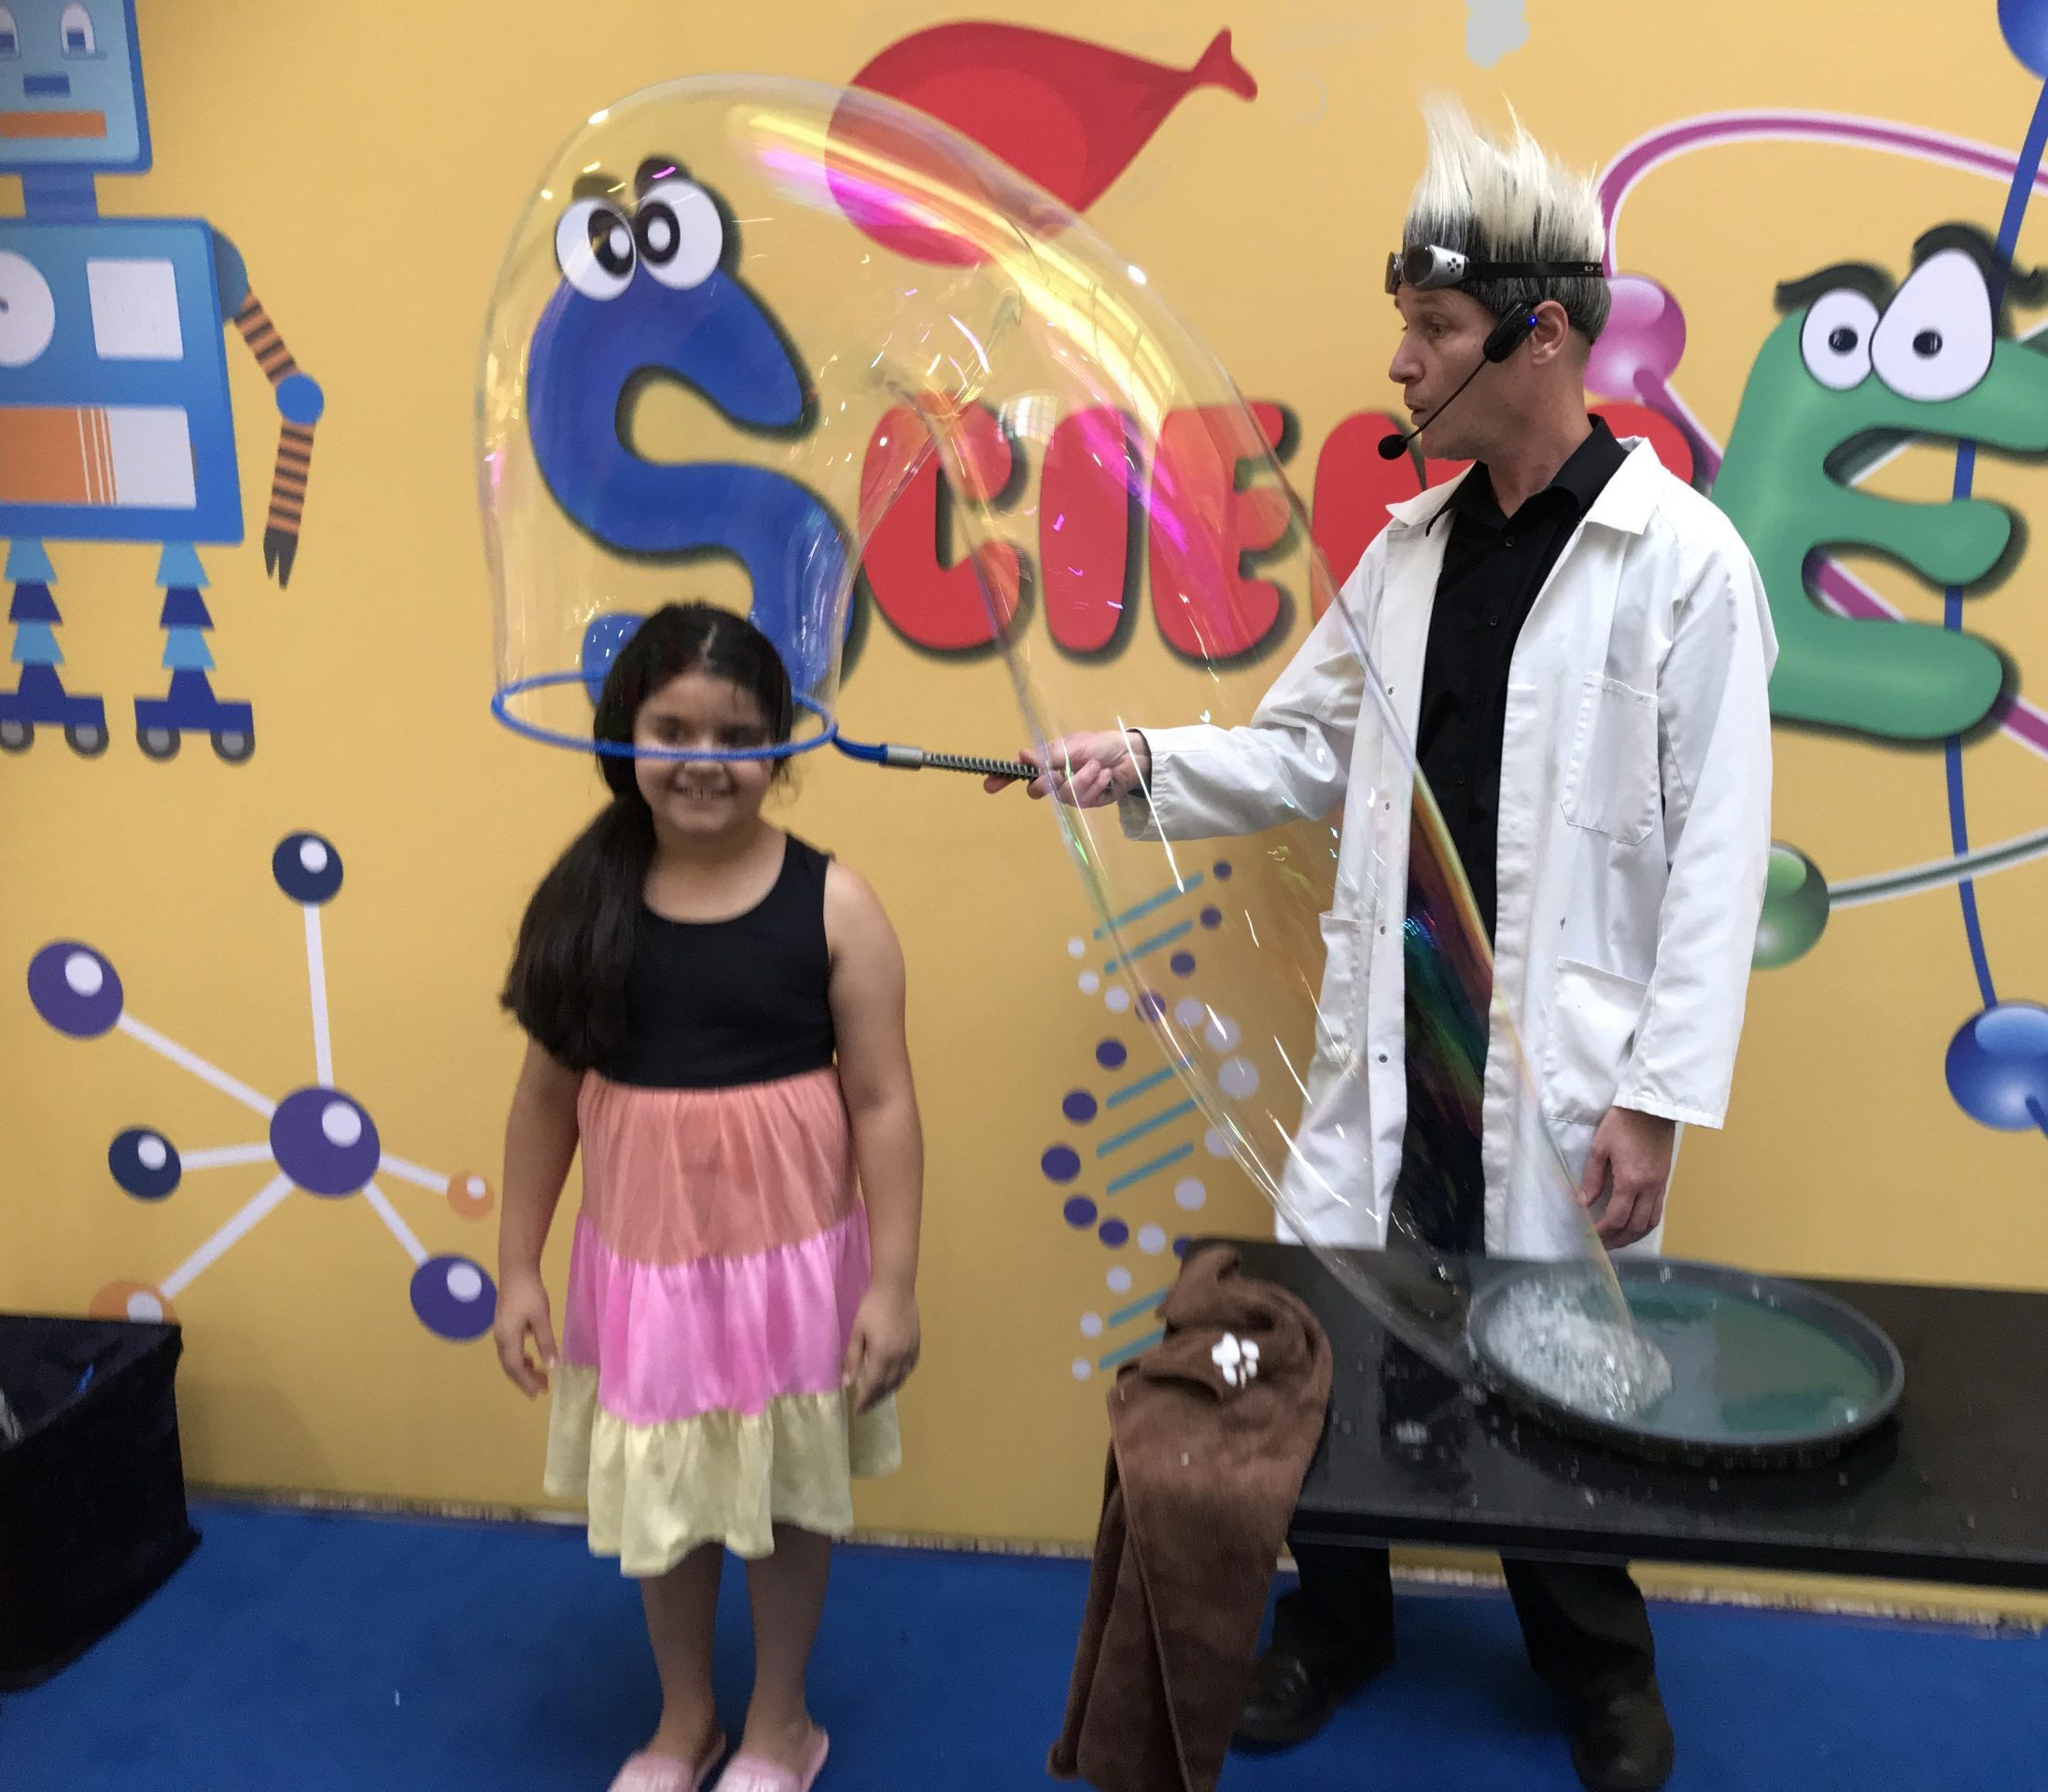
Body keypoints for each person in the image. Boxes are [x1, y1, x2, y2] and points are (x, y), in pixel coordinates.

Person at [993, 99, 1774, 1792]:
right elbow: (1297, 752)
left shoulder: (1684, 566)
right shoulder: (1408, 556)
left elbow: (1718, 850)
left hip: (1558, 1061)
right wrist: (1142, 763)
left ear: (1541, 330)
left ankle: (1597, 1663)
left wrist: (1655, 1099)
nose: (1403, 363)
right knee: (1344, 1351)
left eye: (1431, 328)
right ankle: (1335, 1625)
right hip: (1390, 1034)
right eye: (1403, 327)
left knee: (1558, 1361)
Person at [494, 602, 923, 1792]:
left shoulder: (836, 907)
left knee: (787, 1498)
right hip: (646, 1277)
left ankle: (782, 1722)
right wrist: (518, 1266)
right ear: (621, 737)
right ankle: (684, 1719)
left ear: (781, 751)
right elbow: (543, 1103)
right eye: (671, 727)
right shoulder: (586, 906)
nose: (702, 758)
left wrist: (892, 1285)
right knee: (669, 1500)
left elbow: (883, 1102)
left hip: (792, 1274)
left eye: (736, 734)